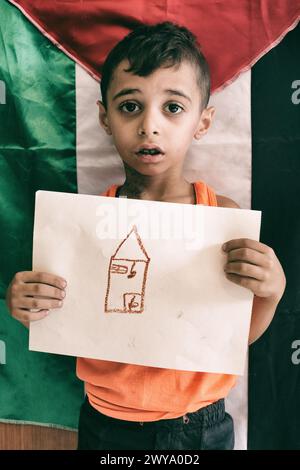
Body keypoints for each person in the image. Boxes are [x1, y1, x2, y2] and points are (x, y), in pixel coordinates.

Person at [6, 22, 286, 450]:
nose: (149, 126)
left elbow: (232, 333)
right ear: (105, 117)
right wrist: (26, 302)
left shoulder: (222, 217)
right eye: (130, 106)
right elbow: (60, 314)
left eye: (172, 108)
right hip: (103, 419)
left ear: (203, 121)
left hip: (198, 423)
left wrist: (272, 290)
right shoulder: (85, 224)